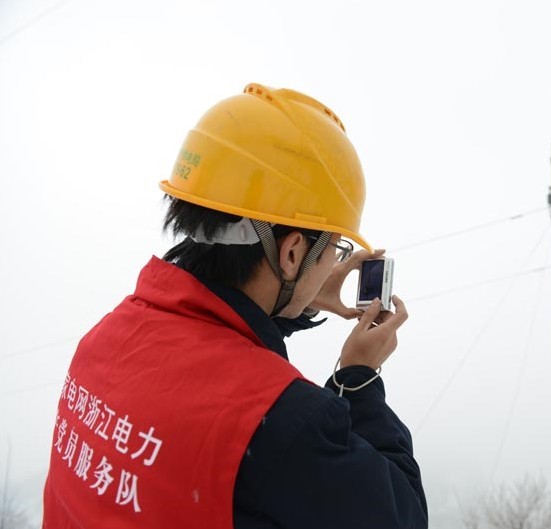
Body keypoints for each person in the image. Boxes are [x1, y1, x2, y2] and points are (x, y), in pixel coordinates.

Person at [42, 83, 428, 529]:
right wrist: (357, 378)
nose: (334, 263)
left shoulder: (104, 338)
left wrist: (296, 301)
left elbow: (212, 351)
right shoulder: (287, 421)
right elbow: (402, 516)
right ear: (292, 253)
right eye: (334, 249)